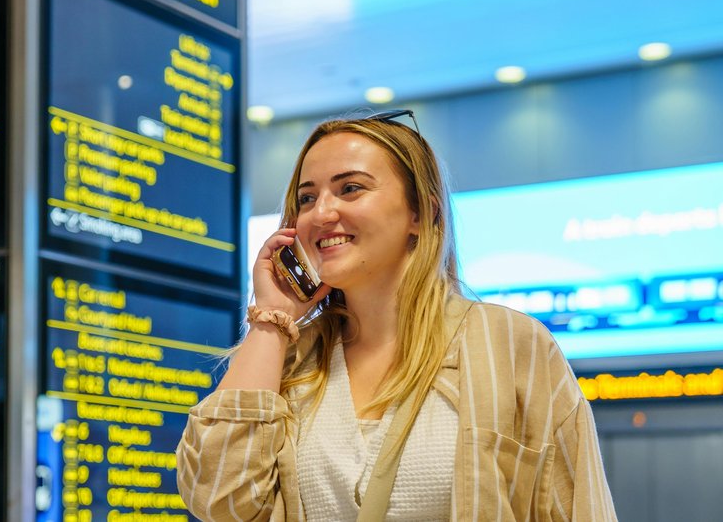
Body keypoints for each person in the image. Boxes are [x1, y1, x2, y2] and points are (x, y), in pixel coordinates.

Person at [176, 110, 617, 521]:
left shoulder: (508, 344)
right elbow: (217, 498)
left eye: (350, 188)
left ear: (421, 214)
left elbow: (580, 506)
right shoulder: (292, 361)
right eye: (307, 198)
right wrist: (271, 319)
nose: (322, 213)